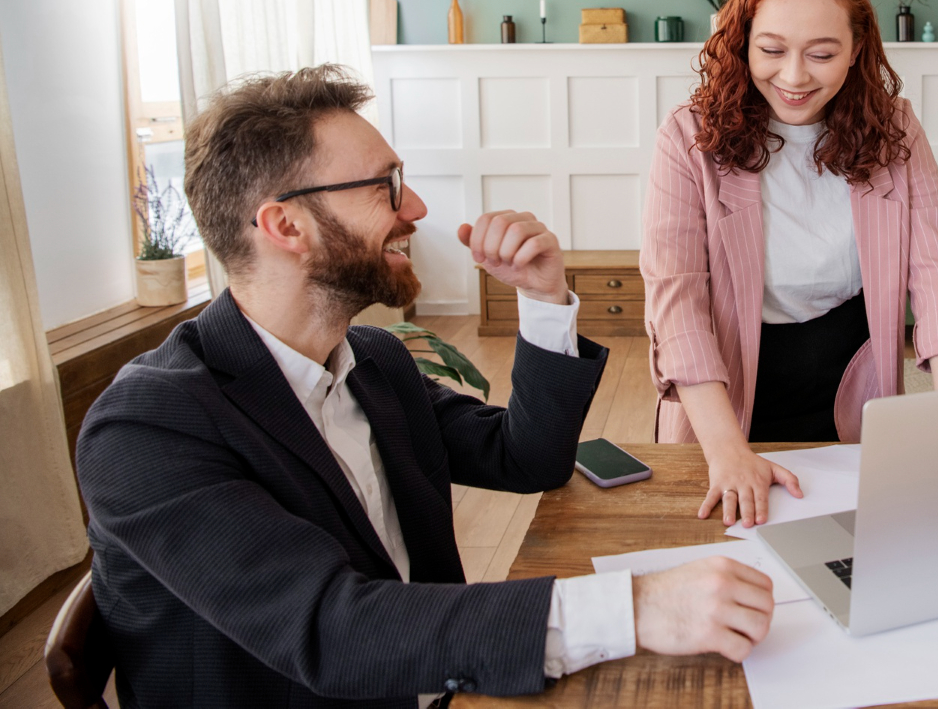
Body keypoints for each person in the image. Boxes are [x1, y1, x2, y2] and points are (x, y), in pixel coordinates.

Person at [75, 66, 774, 709]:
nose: (413, 206)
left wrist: (541, 295)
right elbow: (329, 628)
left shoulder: (373, 361)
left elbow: (525, 458)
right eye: (383, 185)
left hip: (444, 679)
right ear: (284, 224)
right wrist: (634, 608)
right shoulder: (148, 428)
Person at [642, 0, 938, 530]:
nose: (794, 77)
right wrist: (726, 451)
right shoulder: (689, 138)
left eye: (822, 54)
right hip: (724, 399)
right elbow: (678, 305)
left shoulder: (895, 129)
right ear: (743, 43)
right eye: (771, 50)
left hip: (853, 381)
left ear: (856, 52)